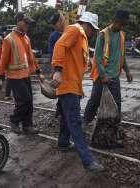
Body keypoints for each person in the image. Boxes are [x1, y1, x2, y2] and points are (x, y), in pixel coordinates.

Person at [51, 11, 104, 173]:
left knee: (67, 118)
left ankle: (63, 143)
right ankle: (88, 161)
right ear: (87, 25)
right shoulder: (75, 30)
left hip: (72, 86)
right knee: (75, 122)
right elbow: (60, 46)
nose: (94, 33)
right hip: (68, 86)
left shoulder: (81, 37)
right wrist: (58, 70)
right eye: (93, 29)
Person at [0, 12, 44, 134]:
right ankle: (14, 121)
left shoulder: (26, 38)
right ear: (18, 22)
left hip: (26, 75)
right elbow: (3, 60)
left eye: (28, 23)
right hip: (14, 77)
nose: (27, 25)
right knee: (24, 100)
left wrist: (38, 71)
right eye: (25, 22)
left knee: (29, 101)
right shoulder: (9, 39)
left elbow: (31, 56)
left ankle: (27, 126)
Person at [84, 10, 133, 125]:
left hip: (114, 76)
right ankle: (85, 120)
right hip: (102, 77)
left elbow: (122, 55)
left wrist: (127, 71)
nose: (122, 27)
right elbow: (98, 58)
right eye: (121, 24)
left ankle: (115, 125)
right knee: (95, 101)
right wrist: (103, 75)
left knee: (116, 103)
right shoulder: (103, 34)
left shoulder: (121, 35)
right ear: (114, 21)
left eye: (124, 25)